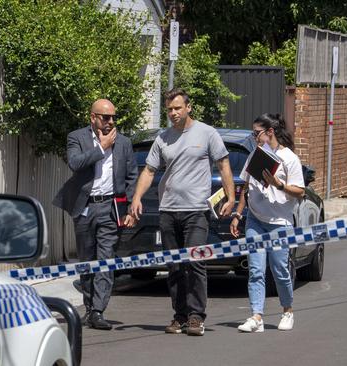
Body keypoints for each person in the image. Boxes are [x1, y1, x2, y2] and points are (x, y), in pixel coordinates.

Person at [129, 88, 235, 336]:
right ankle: (180, 315)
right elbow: (149, 171)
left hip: (197, 210)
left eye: (177, 108)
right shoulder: (163, 138)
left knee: (195, 263)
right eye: (169, 109)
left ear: (188, 107)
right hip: (168, 210)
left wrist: (230, 196)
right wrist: (136, 198)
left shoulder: (207, 133)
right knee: (174, 266)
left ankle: (196, 316)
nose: (173, 113)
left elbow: (224, 164)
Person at [53, 99, 138, 330]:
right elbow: (75, 163)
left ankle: (99, 310)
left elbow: (132, 175)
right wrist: (101, 148)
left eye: (113, 117)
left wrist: (131, 207)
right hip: (85, 207)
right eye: (105, 117)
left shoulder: (124, 143)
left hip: (110, 208)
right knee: (86, 260)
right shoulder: (77, 138)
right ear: (93, 117)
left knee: (105, 259)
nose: (110, 122)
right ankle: (89, 308)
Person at [231, 113, 304, 333]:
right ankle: (256, 316)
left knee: (280, 269)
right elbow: (246, 187)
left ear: (270, 132)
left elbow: (299, 192)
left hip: (279, 222)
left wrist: (278, 184)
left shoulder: (289, 158)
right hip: (255, 220)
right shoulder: (255, 154)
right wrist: (238, 214)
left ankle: (287, 310)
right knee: (255, 270)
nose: (254, 137)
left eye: (257, 133)